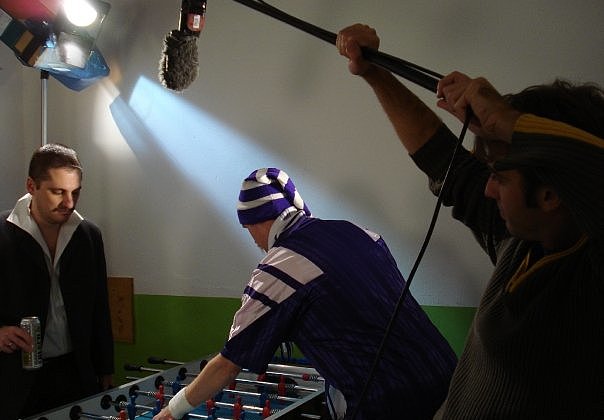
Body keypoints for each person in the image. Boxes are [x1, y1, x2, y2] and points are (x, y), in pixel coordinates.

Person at [335, 24, 603, 418]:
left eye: (500, 177)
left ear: (551, 194)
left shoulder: (590, 279)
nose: (488, 190)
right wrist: (376, 72)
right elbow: (444, 160)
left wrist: (509, 122)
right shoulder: (520, 241)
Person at [155, 167, 457, 420]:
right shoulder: (358, 232)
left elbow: (227, 365)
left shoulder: (279, 266)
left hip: (389, 401)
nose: (254, 241)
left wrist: (172, 411)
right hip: (448, 376)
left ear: (259, 220)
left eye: (248, 229)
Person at [0, 143, 114, 419]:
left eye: (75, 192)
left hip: (77, 374)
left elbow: (99, 306)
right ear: (31, 186)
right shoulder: (2, 235)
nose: (69, 203)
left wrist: (106, 368)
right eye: (58, 192)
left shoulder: (89, 235)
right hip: (14, 379)